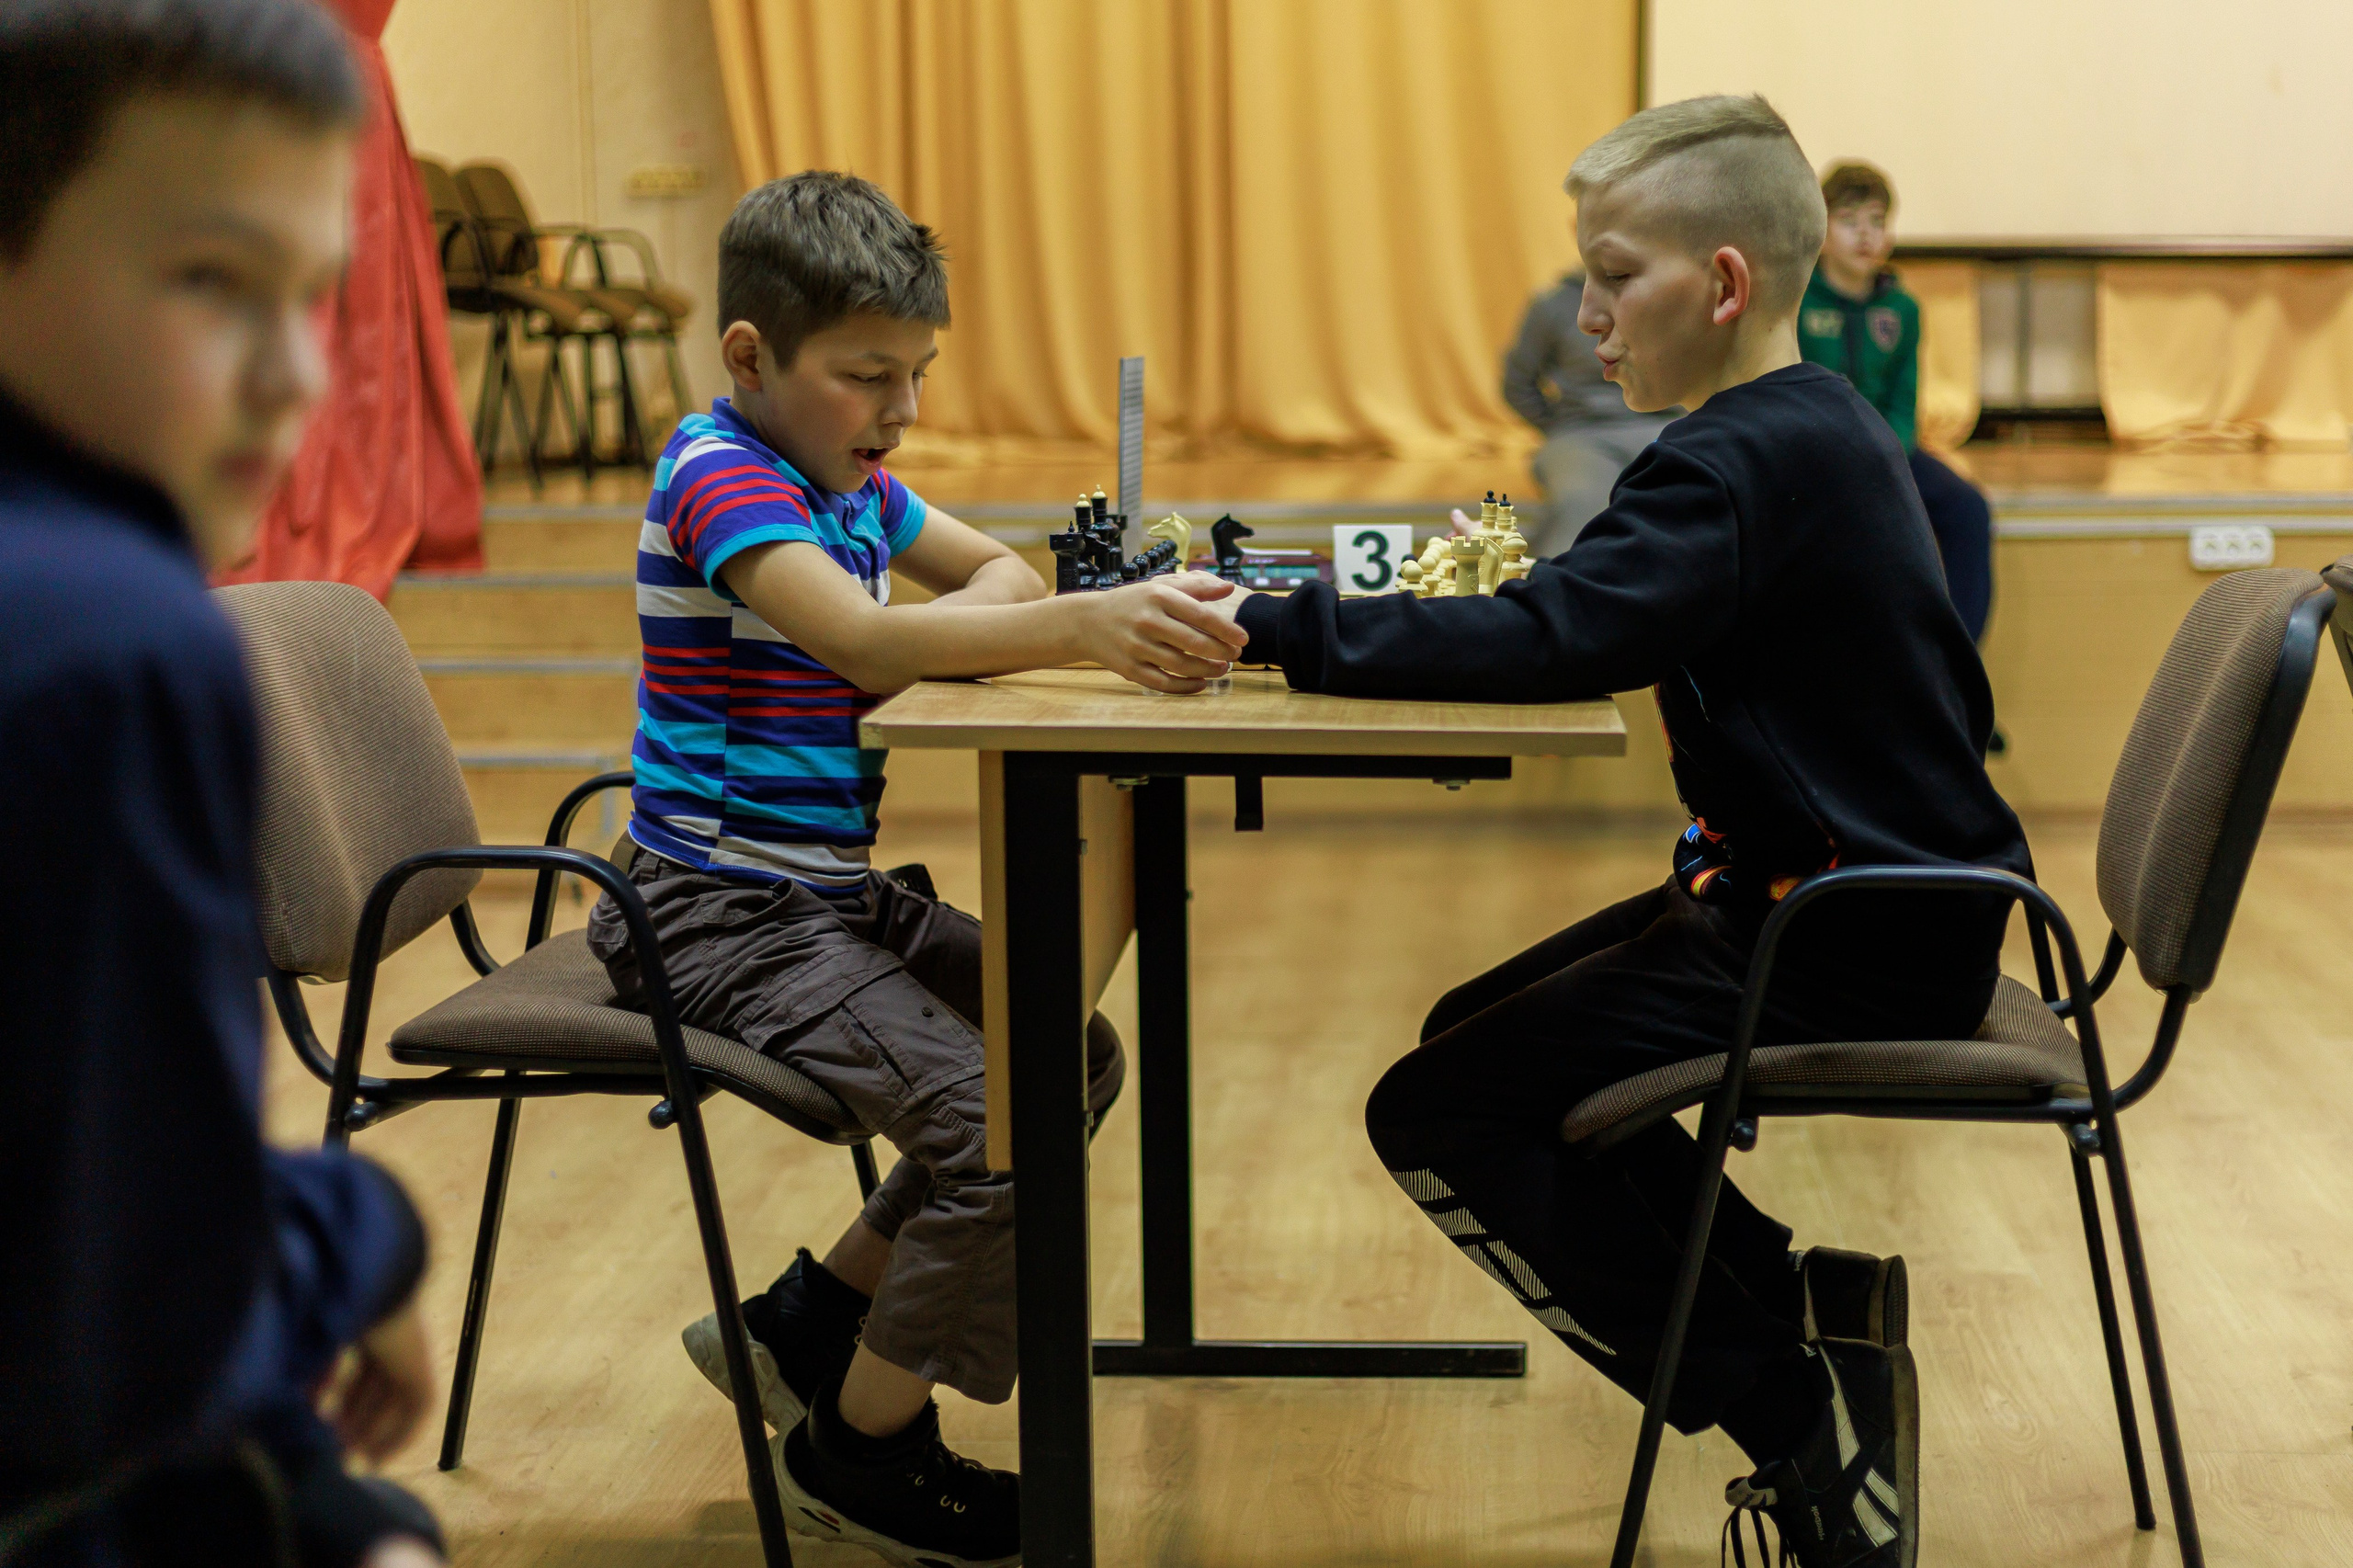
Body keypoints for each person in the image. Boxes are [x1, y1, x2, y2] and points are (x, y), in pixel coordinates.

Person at [1212, 97, 2032, 1568]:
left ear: (1721, 286)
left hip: (1849, 930)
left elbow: (1561, 633)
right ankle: (1800, 1303)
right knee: (1476, 1031)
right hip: (1893, 901)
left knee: (1441, 1110)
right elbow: (1585, 614)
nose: (1587, 316)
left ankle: (1796, 1416)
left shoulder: (1726, 463)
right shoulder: (1816, 417)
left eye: (1615, 277)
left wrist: (1269, 626)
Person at [586, 170, 1247, 1568]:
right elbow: (879, 646)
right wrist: (1064, 627)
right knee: (998, 1128)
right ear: (751, 357)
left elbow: (989, 572)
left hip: (816, 894)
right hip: (712, 913)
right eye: (866, 374)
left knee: (1061, 1058)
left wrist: (1004, 613)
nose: (901, 411)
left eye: (918, 373)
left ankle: (807, 1325)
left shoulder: (848, 484)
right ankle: (858, 1451)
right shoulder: (719, 474)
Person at [0, 4, 444, 1564]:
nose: (292, 379)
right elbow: (150, 1308)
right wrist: (376, 1233)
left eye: (313, 297)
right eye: (209, 282)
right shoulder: (111, 637)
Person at [1800, 160, 1995, 643]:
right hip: (1810, 454)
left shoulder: (1902, 309)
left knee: (1968, 509)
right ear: (1821, 232)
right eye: (1849, 222)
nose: (1866, 236)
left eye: (1877, 222)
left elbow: (1904, 402)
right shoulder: (1797, 301)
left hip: (1885, 453)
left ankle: (1956, 668)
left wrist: (1888, 455)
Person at [1503, 272, 1676, 555]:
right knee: (1579, 500)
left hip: (1664, 424)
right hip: (1582, 433)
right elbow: (1518, 384)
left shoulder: (1673, 296)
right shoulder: (1555, 304)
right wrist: (1560, 424)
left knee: (1684, 489)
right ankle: (1559, 589)